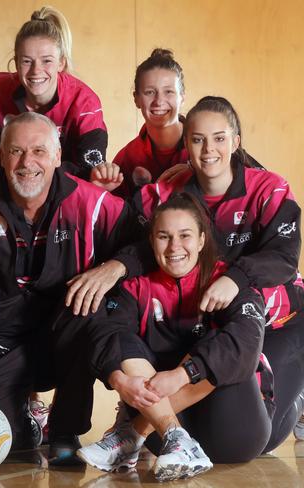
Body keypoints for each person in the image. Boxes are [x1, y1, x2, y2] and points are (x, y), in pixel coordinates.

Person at [0, 112, 136, 464]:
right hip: (1, 344)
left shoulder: (92, 202)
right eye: (16, 152)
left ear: (57, 156)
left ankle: (65, 429)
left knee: (89, 304)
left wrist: (114, 267)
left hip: (64, 336)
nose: (27, 162)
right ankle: (27, 420)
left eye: (38, 151)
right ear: (2, 157)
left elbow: (142, 240)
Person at [122, 96, 304, 452]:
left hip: (279, 325)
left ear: (236, 141)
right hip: (206, 327)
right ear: (186, 144)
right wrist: (115, 266)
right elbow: (135, 242)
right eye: (198, 139)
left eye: (219, 138)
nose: (209, 148)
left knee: (259, 441)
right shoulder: (167, 192)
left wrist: (236, 278)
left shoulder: (269, 187)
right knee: (178, 435)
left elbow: (284, 256)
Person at [77, 193, 271, 481]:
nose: (174, 247)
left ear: (202, 240)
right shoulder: (135, 286)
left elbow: (245, 343)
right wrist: (117, 379)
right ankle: (175, 437)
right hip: (165, 426)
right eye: (164, 237)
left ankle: (132, 434)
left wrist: (182, 374)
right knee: (121, 337)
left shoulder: (228, 281)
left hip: (237, 425)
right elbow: (106, 334)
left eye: (185, 236)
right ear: (151, 242)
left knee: (220, 343)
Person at [0, 6, 107, 183]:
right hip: (8, 195)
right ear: (16, 63)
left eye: (47, 61)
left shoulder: (84, 101)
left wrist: (29, 175)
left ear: (61, 63)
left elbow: (90, 171)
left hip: (68, 195)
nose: (36, 70)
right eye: (27, 61)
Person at [105, 49, 189, 199]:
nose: (159, 101)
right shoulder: (126, 159)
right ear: (136, 98)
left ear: (182, 97)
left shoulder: (205, 146)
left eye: (168, 91)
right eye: (150, 92)